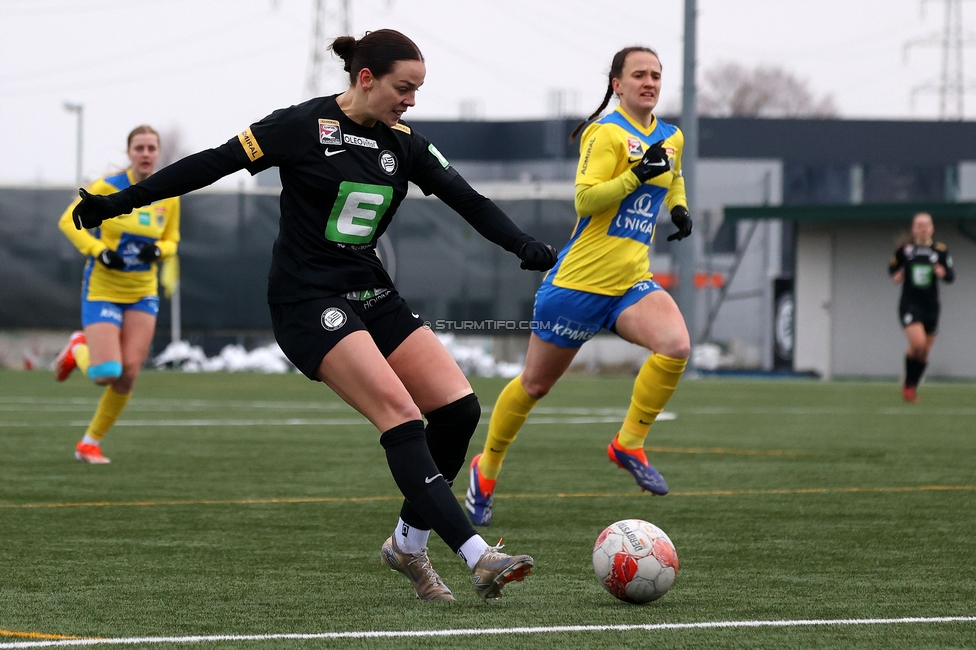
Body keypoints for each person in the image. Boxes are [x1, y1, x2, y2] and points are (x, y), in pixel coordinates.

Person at [69, 29, 557, 601]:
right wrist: (118, 202)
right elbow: (211, 163)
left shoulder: (402, 143)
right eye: (404, 88)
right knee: (399, 414)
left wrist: (523, 245)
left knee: (457, 412)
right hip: (307, 299)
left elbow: (466, 197)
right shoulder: (301, 125)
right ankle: (478, 556)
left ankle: (406, 544)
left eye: (418, 90)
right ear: (365, 78)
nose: (412, 102)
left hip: (371, 292)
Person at [466, 46, 693, 527]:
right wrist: (636, 175)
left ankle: (628, 443)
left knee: (675, 345)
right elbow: (587, 199)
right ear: (617, 84)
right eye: (638, 75)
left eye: (655, 75)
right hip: (577, 284)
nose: (649, 82)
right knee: (534, 385)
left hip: (631, 282)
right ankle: (485, 470)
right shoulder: (606, 131)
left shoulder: (672, 136)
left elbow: (673, 177)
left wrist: (678, 207)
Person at [54, 125, 180, 465]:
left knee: (127, 376)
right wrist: (97, 250)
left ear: (158, 152)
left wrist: (159, 252)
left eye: (151, 147)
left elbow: (172, 240)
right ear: (129, 153)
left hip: (143, 293)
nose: (146, 153)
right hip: (103, 289)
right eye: (139, 147)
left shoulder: (169, 194)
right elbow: (68, 221)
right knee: (105, 373)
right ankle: (77, 348)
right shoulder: (107, 188)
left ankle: (89, 443)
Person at [888, 212, 954, 403]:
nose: (923, 228)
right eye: (919, 225)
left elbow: (951, 275)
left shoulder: (940, 250)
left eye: (926, 225)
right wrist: (897, 274)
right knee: (917, 343)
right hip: (910, 304)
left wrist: (943, 273)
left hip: (931, 307)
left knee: (923, 351)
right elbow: (892, 268)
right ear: (913, 229)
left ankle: (911, 387)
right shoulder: (905, 251)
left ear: (932, 228)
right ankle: (908, 386)